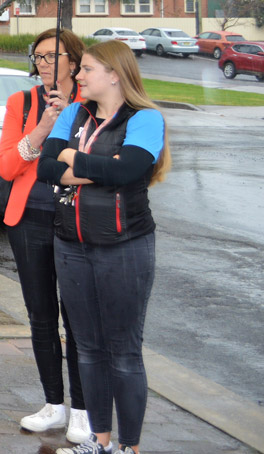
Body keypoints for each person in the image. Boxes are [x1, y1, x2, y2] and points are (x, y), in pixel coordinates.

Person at [38, 41, 169, 454]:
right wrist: (95, 169)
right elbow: (46, 167)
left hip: (124, 246)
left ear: (114, 74)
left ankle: (129, 447)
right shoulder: (76, 113)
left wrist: (73, 161)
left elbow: (130, 170)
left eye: (87, 69)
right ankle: (100, 439)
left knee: (124, 351)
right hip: (71, 243)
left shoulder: (145, 118)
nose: (78, 76)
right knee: (89, 348)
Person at [0, 29, 91, 444]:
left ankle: (85, 410)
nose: (45, 63)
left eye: (54, 56)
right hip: (29, 218)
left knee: (79, 319)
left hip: (77, 221)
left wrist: (68, 119)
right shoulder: (24, 102)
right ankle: (54, 403)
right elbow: (6, 167)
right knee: (40, 316)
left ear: (75, 60)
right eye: (38, 56)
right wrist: (43, 126)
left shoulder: (93, 106)